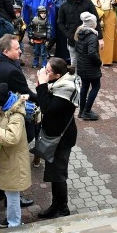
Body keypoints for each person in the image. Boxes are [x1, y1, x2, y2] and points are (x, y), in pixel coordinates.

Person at [0, 84, 31, 229]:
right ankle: (12, 219)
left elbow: (11, 138)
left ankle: (14, 223)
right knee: (10, 193)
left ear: (1, 102)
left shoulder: (16, 116)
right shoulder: (3, 111)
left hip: (14, 161)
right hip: (8, 159)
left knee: (12, 194)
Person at [35, 57, 78, 219]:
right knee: (54, 173)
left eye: (47, 71)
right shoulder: (58, 85)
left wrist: (42, 85)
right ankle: (56, 205)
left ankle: (62, 208)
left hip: (61, 139)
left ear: (57, 74)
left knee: (58, 175)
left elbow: (47, 107)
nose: (44, 73)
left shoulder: (66, 89)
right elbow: (44, 99)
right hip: (55, 136)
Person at [57, 0, 102, 69]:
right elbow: (60, 22)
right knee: (74, 65)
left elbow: (96, 19)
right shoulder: (64, 6)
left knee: (89, 64)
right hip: (72, 41)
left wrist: (100, 37)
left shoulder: (88, 3)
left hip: (88, 40)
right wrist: (68, 35)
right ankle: (76, 81)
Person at [74, 12, 102, 120]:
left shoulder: (80, 33)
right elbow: (92, 53)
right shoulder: (92, 37)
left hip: (82, 66)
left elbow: (77, 49)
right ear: (92, 24)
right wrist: (99, 62)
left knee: (84, 87)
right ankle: (87, 111)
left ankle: (81, 111)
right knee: (95, 86)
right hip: (90, 67)